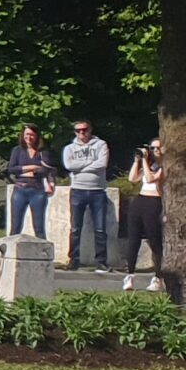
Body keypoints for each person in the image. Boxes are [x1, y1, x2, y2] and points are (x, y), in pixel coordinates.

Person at [64, 119, 112, 271]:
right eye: (78, 130)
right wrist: (91, 164)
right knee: (75, 228)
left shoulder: (101, 145)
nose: (82, 133)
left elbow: (102, 164)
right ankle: (73, 260)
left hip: (97, 191)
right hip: (77, 190)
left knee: (100, 228)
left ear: (90, 130)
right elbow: (69, 166)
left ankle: (101, 261)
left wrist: (80, 168)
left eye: (84, 129)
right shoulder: (69, 148)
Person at [120, 139, 165, 290]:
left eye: (158, 147)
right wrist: (137, 161)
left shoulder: (165, 166)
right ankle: (130, 275)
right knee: (133, 239)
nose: (155, 150)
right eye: (153, 148)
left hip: (154, 201)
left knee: (154, 240)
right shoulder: (149, 164)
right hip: (140, 201)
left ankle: (158, 277)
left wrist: (145, 161)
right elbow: (133, 179)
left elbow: (152, 179)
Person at [7, 124, 53, 237]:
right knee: (15, 227)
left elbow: (45, 170)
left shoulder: (42, 152)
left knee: (39, 227)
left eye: (32, 135)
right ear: (23, 135)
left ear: (37, 136)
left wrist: (27, 170)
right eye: (27, 134)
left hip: (37, 191)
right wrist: (32, 167)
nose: (29, 137)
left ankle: (43, 253)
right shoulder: (17, 150)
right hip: (20, 189)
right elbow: (12, 169)